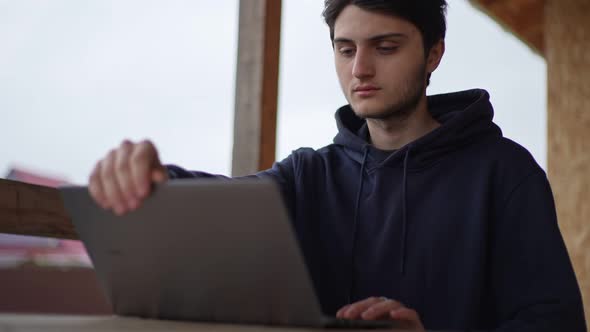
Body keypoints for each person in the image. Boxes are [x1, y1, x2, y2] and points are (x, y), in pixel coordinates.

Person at [87, 1, 587, 331]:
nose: (359, 69)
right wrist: (157, 178)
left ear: (434, 53)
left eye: (384, 47)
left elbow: (553, 324)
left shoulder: (505, 173)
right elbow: (225, 203)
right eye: (345, 49)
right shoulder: (309, 175)